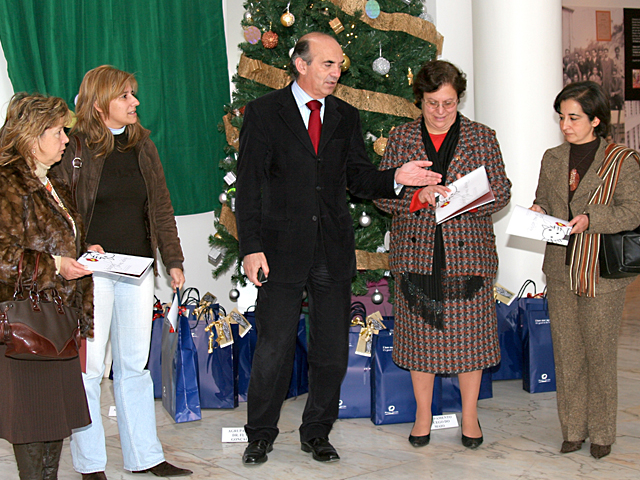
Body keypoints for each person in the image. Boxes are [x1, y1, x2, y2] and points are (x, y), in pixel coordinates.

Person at [235, 32, 442, 465]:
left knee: (330, 348)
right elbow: (249, 187)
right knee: (274, 346)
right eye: (328, 64)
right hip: (278, 251)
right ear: (301, 64)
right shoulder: (263, 113)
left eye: (339, 65)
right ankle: (260, 434)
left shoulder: (345, 116)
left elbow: (360, 178)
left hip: (331, 249)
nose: (336, 72)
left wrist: (398, 177)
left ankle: (317, 431)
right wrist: (251, 246)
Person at [50, 66, 190, 479]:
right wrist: (77, 249)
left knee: (134, 366)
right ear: (98, 104)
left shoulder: (143, 145)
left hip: (137, 269)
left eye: (134, 94)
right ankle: (90, 464)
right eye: (125, 95)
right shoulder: (71, 148)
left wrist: (174, 259)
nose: (135, 102)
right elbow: (56, 213)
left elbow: (161, 207)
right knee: (91, 370)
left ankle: (146, 457)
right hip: (91, 272)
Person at [374, 60, 511, 449]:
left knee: (470, 340)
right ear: (419, 99)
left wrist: (467, 198)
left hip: (468, 254)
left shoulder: (482, 136)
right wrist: (418, 197)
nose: (439, 112)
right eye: (432, 103)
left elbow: (501, 190)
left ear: (458, 99)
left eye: (448, 103)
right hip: (417, 254)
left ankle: (470, 417)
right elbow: (383, 193)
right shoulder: (401, 138)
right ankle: (422, 416)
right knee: (420, 341)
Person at [531, 81, 640, 459]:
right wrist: (539, 212)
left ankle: (602, 433)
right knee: (567, 353)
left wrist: (591, 218)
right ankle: (573, 429)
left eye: (573, 117)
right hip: (561, 270)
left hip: (600, 273)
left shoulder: (622, 160)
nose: (565, 125)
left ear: (596, 119)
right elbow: (543, 199)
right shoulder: (553, 158)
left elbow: (632, 211)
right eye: (561, 117)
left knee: (599, 355)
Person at [0, 93, 94, 479]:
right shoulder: (8, 182)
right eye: (57, 132)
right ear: (31, 135)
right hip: (28, 321)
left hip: (57, 318)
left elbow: (53, 239)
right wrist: (55, 266)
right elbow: (4, 255)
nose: (66, 140)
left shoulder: (49, 180)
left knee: (53, 422)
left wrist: (86, 252)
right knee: (34, 425)